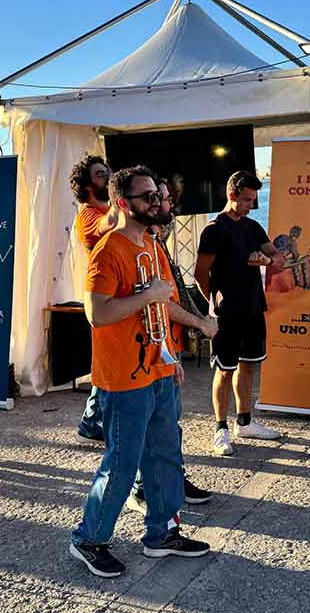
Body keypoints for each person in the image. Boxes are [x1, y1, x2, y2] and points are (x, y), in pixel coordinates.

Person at [70, 166, 213, 578]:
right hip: (123, 375)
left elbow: (163, 303)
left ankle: (162, 533)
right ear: (122, 203)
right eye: (147, 196)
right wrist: (147, 295)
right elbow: (97, 313)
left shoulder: (151, 244)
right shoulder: (108, 251)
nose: (156, 201)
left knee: (165, 454)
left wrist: (182, 340)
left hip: (158, 368)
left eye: (157, 194)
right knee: (122, 462)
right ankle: (89, 538)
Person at [126, 179, 215, 511]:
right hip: (152, 350)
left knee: (167, 424)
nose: (167, 204)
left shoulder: (156, 243)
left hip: (166, 347)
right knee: (154, 425)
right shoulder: (142, 246)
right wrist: (199, 324)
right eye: (160, 199)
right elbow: (159, 303)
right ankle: (144, 488)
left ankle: (170, 480)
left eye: (163, 198)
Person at [194, 170, 286, 456]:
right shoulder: (213, 230)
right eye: (246, 200)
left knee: (249, 365)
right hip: (227, 313)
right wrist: (214, 303)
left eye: (254, 200)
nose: (251, 205)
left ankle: (244, 422)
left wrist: (266, 260)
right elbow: (200, 274)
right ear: (231, 195)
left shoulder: (253, 227)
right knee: (225, 370)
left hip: (254, 307)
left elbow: (280, 260)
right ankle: (220, 429)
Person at [69, 154, 117, 444]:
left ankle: (91, 421)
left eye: (108, 172)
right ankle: (92, 421)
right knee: (109, 362)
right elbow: (106, 226)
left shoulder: (109, 208)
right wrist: (125, 200)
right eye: (101, 174)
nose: (107, 177)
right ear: (87, 185)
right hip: (104, 299)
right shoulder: (87, 214)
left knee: (111, 362)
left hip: (117, 296)